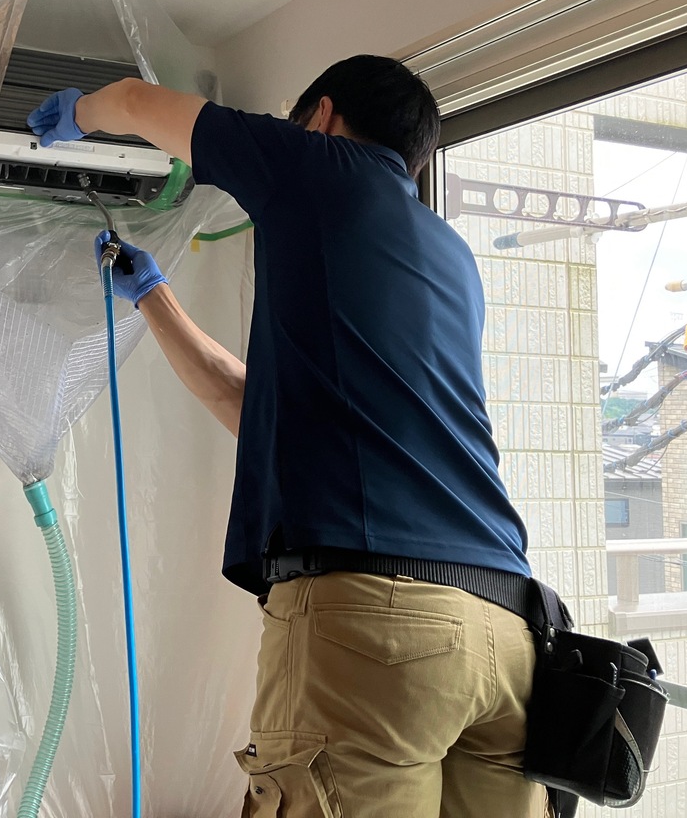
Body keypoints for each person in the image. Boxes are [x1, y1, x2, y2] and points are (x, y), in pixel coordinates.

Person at [28, 56, 546, 818]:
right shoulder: (449, 256)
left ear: (322, 116)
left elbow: (137, 101)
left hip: (380, 622)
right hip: (506, 636)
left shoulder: (319, 168)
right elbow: (252, 408)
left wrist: (78, 115)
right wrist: (153, 297)